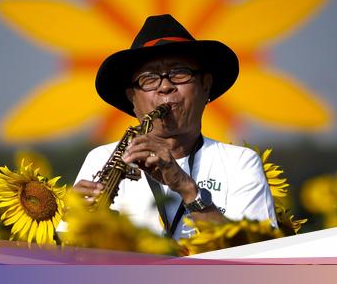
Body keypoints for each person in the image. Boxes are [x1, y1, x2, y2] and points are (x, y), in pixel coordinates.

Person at [67, 14, 276, 240]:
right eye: (148, 79)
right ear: (132, 99)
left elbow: (259, 257)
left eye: (179, 73)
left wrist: (186, 187)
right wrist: (76, 222)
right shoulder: (100, 159)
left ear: (206, 85)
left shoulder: (241, 163)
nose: (165, 86)